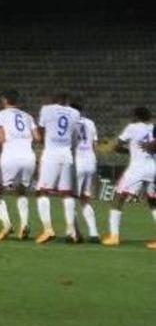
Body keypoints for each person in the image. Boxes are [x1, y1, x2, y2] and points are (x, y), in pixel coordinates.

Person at [102, 107, 155, 247]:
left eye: (133, 115)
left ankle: (114, 236)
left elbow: (117, 145)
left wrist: (114, 147)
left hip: (137, 169)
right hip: (152, 168)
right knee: (153, 202)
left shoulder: (132, 127)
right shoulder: (152, 128)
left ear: (136, 116)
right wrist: (133, 149)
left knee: (118, 199)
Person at [34, 93, 81, 244]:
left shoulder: (47, 109)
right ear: (67, 102)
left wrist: (44, 140)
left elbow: (41, 129)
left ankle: (48, 229)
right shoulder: (75, 113)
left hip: (51, 154)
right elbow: (76, 135)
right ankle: (71, 232)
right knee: (67, 193)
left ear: (54, 101)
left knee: (42, 191)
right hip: (66, 154)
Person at [0, 89, 39, 240]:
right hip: (28, 156)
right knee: (21, 192)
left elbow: (1, 139)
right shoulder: (27, 116)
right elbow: (37, 137)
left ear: (4, 100)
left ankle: (7, 224)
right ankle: (24, 224)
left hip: (10, 156)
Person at [70, 102, 100, 243]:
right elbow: (95, 145)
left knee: (70, 199)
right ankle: (94, 234)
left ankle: (74, 233)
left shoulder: (70, 122)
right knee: (85, 199)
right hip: (90, 162)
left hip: (77, 162)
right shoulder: (90, 123)